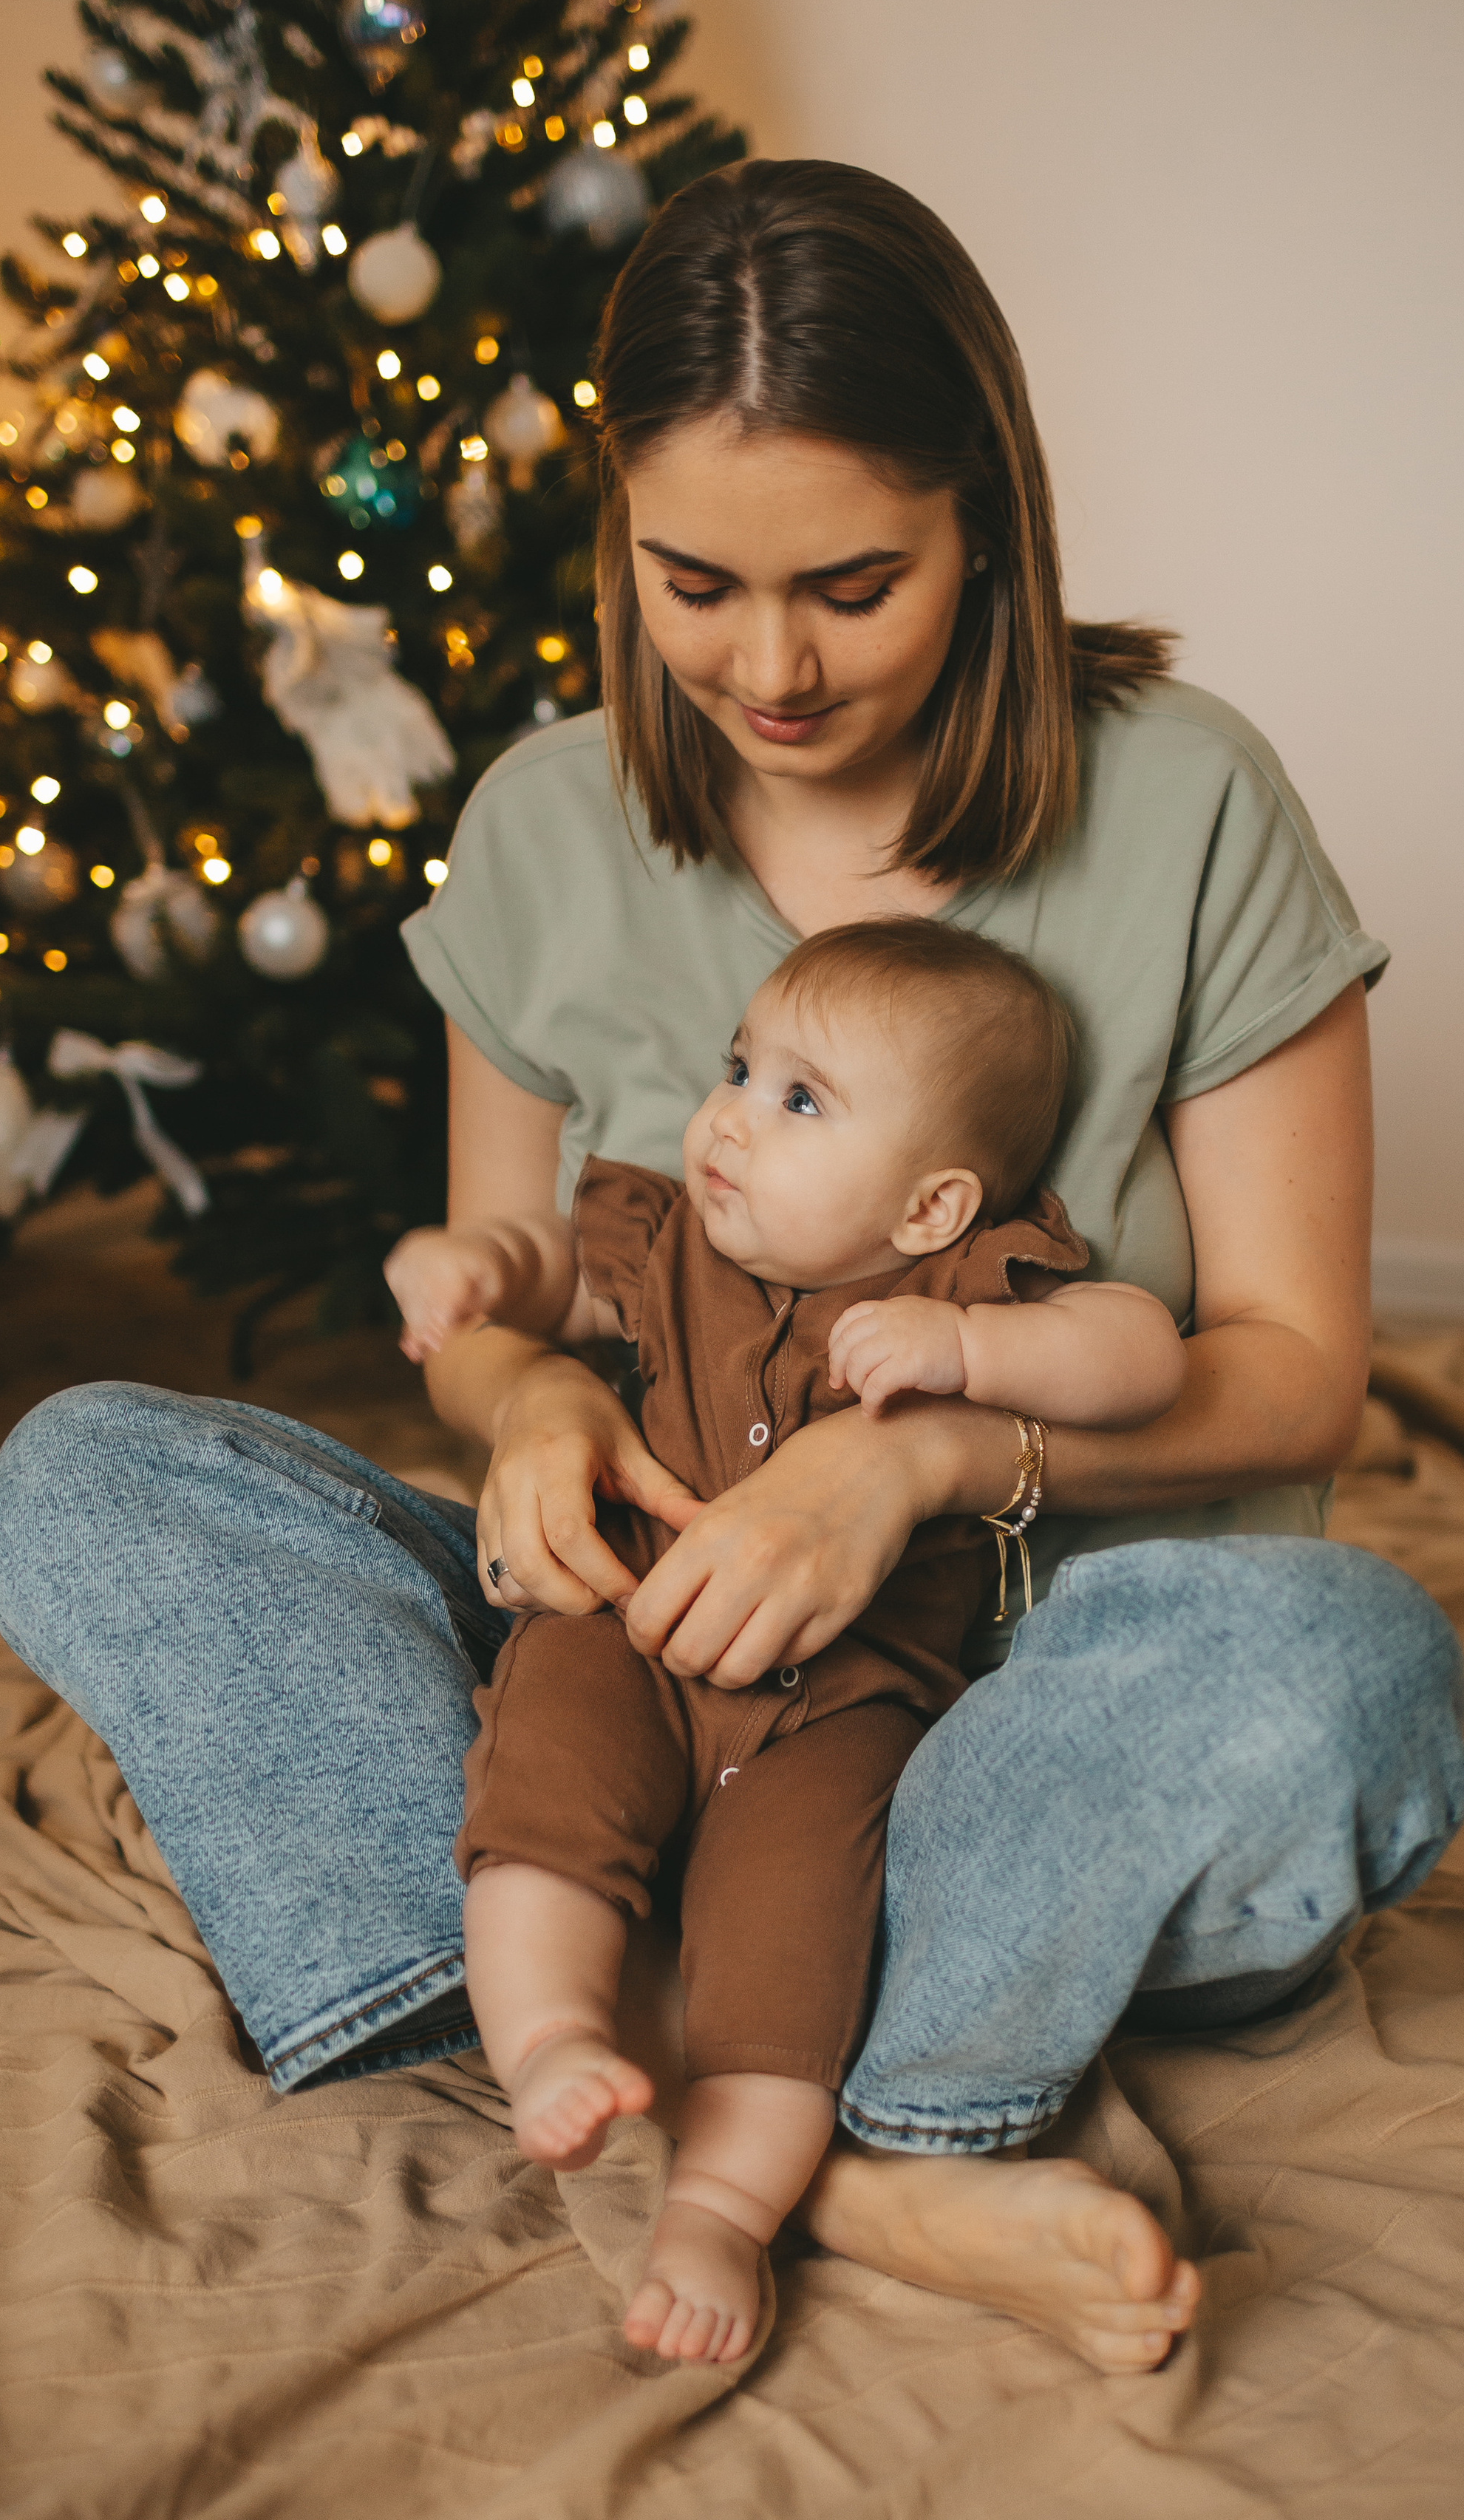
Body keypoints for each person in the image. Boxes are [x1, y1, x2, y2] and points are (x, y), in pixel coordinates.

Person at [0, 157, 1464, 2380]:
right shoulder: (549, 821)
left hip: (999, 1719)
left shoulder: (1193, 804)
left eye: (855, 586)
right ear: (618, 535)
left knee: (1343, 1669)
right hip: (624, 1685)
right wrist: (538, 1408)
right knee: (78, 1474)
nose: (770, 668)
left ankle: (749, 2078)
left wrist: (925, 1465)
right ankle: (838, 2158)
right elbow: (506, 1322)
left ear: (987, 515)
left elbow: (1293, 1377)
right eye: (697, 584)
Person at [388, 919, 1187, 2363]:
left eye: (796, 1101)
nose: (729, 1119)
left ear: (934, 1204)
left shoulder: (955, 1289)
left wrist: (971, 1364)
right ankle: (551, 2035)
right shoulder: (672, 1236)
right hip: (621, 1626)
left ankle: (720, 2212)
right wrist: (466, 1270)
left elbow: (1139, 1350)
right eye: (738, 1068)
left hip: (837, 1709)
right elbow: (545, 1269)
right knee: (538, 1810)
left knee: (789, 1962)